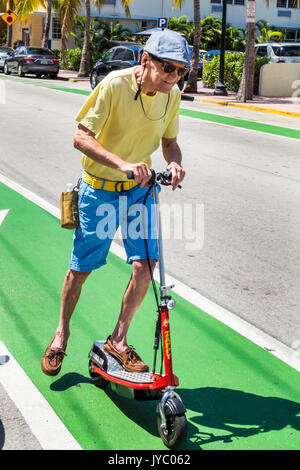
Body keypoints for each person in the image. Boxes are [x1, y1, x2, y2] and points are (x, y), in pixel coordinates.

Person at [41, 29, 188, 377]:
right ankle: (62, 333)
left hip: (140, 190)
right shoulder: (114, 85)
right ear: (145, 60)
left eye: (181, 70)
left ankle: (117, 341)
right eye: (168, 67)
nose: (174, 76)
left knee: (146, 264)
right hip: (101, 189)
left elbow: (170, 142)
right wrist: (121, 163)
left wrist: (175, 162)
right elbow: (80, 137)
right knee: (82, 268)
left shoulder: (172, 95)